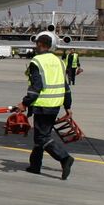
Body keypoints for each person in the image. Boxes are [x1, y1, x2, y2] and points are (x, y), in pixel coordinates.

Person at [21, 32, 74, 178]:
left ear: (39, 44)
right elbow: (66, 86)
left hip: (43, 105)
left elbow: (36, 87)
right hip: (55, 105)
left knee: (42, 138)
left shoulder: (37, 61)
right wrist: (68, 106)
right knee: (41, 136)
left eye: (36, 44)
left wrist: (24, 103)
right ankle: (35, 165)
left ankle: (64, 158)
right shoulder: (59, 61)